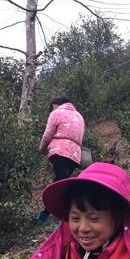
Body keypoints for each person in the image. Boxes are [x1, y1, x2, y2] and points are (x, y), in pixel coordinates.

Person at [37, 96, 85, 225]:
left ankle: (63, 219)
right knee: (60, 181)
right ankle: (46, 213)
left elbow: (47, 135)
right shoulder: (79, 116)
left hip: (60, 151)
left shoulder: (56, 113)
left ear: (55, 104)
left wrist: (42, 149)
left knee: (62, 184)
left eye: (51, 107)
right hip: (75, 155)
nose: (51, 109)